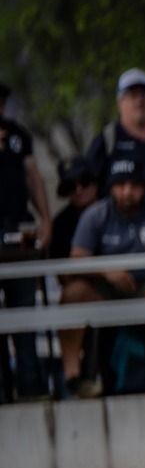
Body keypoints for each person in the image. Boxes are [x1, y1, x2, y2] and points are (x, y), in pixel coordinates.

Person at [58, 157, 145, 396]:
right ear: (111, 187)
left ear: (144, 186)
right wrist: (105, 270)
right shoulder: (95, 214)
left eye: (134, 185)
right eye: (121, 184)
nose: (128, 191)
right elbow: (76, 260)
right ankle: (74, 377)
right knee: (73, 294)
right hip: (105, 286)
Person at [1, 88, 54, 399]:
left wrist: (45, 218)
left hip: (16, 231)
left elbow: (33, 177)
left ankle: (31, 385)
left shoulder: (17, 135)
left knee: (24, 310)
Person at [86, 69, 145, 203]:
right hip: (124, 219)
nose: (139, 101)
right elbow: (90, 187)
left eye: (144, 94)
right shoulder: (108, 139)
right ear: (119, 103)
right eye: (132, 95)